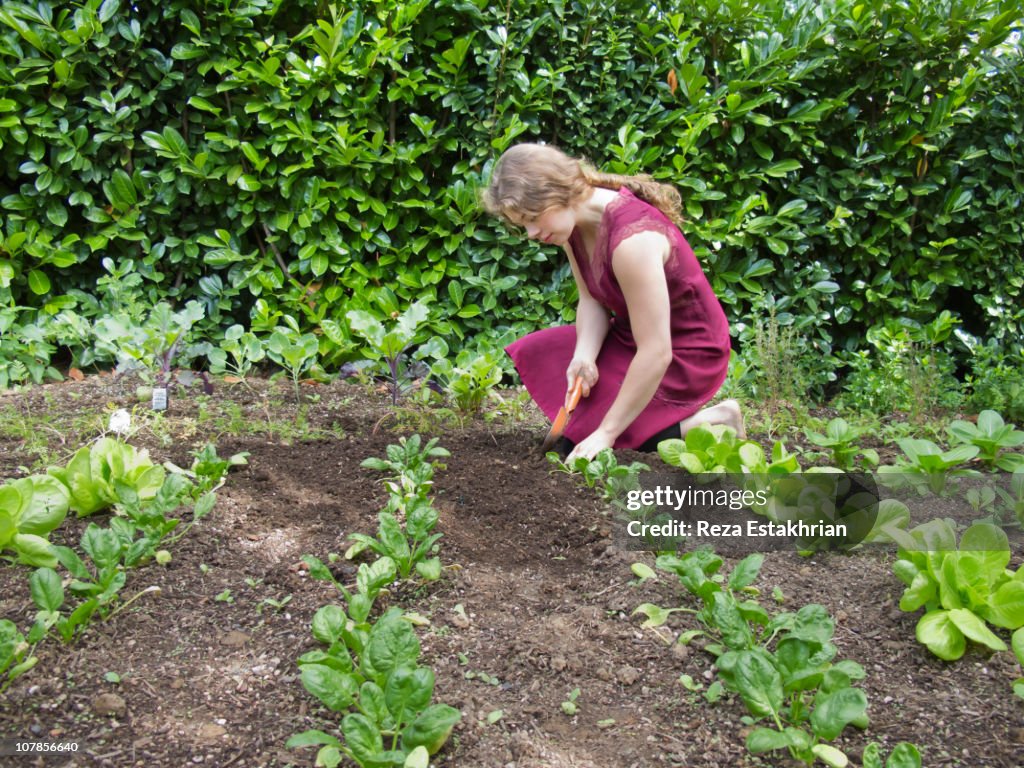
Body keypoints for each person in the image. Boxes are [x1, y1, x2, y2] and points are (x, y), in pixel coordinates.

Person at [482, 143, 743, 461]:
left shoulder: (632, 241)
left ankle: (719, 418)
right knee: (549, 365)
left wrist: (607, 433)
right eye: (522, 223)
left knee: (614, 437)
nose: (532, 232)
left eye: (533, 218)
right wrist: (584, 357)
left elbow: (657, 352)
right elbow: (592, 301)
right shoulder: (571, 226)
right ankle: (625, 423)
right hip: (632, 336)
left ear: (559, 193)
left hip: (686, 353)